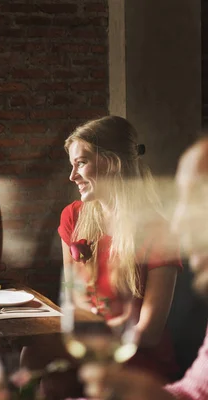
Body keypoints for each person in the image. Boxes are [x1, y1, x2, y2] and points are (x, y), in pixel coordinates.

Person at [22, 116, 181, 398]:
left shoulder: (158, 229)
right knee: (33, 361)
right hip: (89, 350)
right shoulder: (73, 216)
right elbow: (74, 303)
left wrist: (93, 340)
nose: (72, 176)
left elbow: (150, 332)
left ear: (112, 163)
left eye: (81, 163)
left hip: (137, 359)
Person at [78, 137, 208, 400]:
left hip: (146, 360)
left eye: (198, 199)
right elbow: (196, 392)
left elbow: (147, 332)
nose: (179, 223)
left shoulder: (151, 232)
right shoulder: (81, 217)